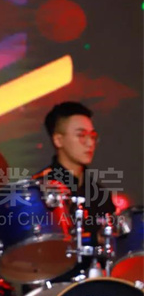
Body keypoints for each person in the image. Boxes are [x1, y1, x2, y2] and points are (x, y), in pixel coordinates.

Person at [34, 101, 116, 279]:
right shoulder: (39, 189)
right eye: (81, 135)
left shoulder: (100, 193)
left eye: (93, 136)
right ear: (58, 140)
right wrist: (93, 238)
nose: (89, 143)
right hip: (53, 284)